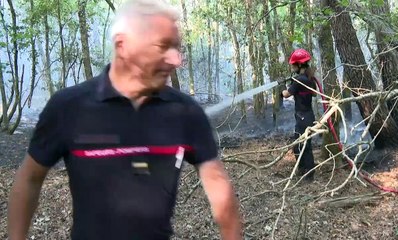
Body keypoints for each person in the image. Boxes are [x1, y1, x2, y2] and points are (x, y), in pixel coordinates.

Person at [7, 1, 242, 239]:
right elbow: (29, 178)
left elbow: (218, 187)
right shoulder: (69, 107)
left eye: (176, 48)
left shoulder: (185, 113)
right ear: (123, 45)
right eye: (163, 46)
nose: (175, 60)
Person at [281, 48, 317, 181]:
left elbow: (286, 94)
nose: (292, 67)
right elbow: (313, 93)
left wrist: (282, 88)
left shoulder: (299, 81)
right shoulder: (308, 80)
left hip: (303, 118)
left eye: (293, 65)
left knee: (302, 146)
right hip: (308, 116)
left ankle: (309, 174)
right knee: (301, 145)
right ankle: (304, 170)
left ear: (300, 65)